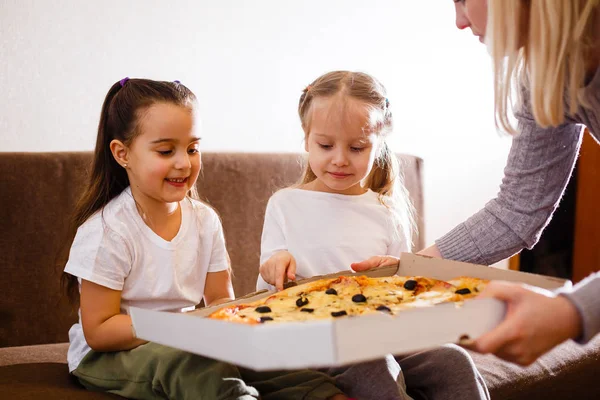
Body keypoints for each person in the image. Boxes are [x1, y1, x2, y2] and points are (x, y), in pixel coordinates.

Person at [61, 77, 348, 400]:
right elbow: (99, 331)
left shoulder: (205, 221)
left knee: (282, 364)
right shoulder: (107, 231)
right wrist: (182, 329)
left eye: (192, 148)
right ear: (122, 153)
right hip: (107, 356)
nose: (184, 163)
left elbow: (219, 302)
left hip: (184, 338)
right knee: (192, 364)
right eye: (166, 150)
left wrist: (248, 324)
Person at [358, 0, 600, 367]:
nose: (459, 21)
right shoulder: (545, 76)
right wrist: (410, 270)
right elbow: (515, 211)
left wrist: (573, 311)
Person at [258, 70, 489, 400]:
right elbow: (270, 270)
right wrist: (276, 263)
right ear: (307, 139)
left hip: (383, 333)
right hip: (313, 336)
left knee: (453, 360)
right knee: (373, 362)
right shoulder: (285, 204)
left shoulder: (385, 210)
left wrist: (397, 276)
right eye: (325, 145)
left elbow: (407, 294)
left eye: (357, 147)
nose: (339, 159)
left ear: (378, 147)